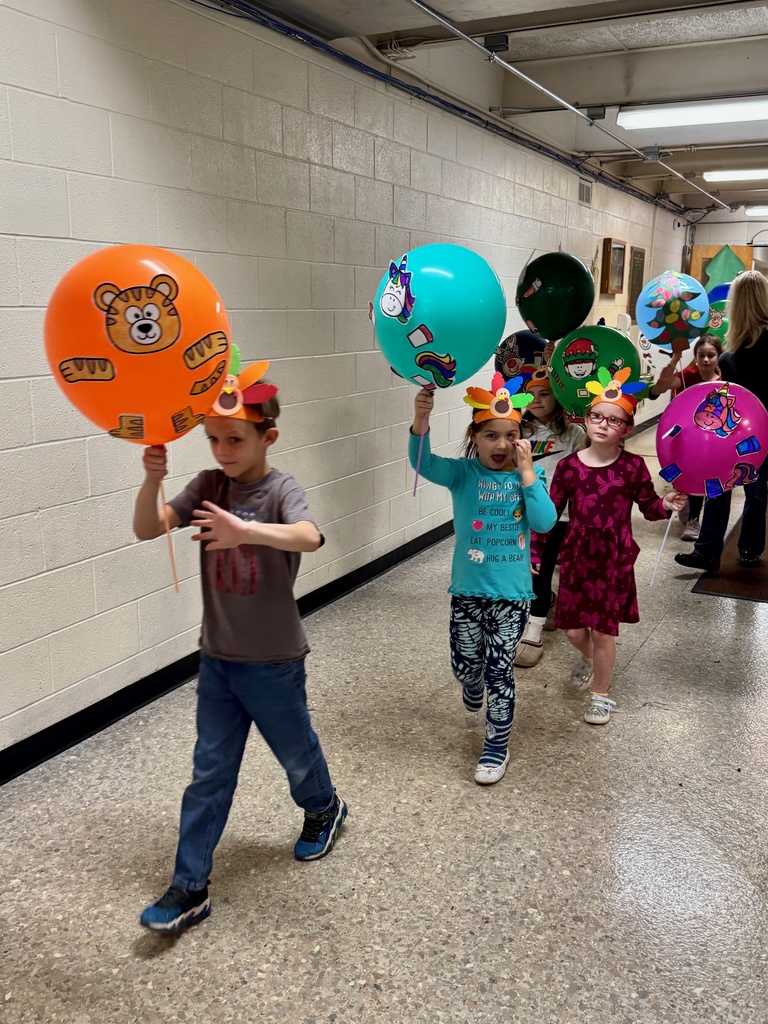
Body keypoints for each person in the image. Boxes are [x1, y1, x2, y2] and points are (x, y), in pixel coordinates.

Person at [132, 360, 347, 934]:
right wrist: (153, 477)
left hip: (274, 662)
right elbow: (146, 528)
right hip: (218, 661)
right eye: (214, 439)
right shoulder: (206, 485)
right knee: (209, 773)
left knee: (296, 755)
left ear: (266, 436)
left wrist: (244, 530)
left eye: (235, 439)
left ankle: (324, 807)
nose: (223, 450)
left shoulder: (282, 490)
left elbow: (311, 536)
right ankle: (190, 886)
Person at [409, 375, 557, 785]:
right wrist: (421, 419)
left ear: (521, 438)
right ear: (475, 435)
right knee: (465, 664)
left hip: (511, 596)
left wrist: (528, 474)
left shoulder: (530, 478)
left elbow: (544, 522)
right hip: (468, 592)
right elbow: (423, 463)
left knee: (499, 671)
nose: (501, 445)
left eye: (511, 435)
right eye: (490, 435)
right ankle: (470, 683)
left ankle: (496, 745)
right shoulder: (463, 475)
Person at [531, 371, 686, 725]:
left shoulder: (632, 467)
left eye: (614, 420)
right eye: (596, 416)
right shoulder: (569, 467)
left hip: (613, 558)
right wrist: (536, 552)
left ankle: (600, 694)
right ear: (585, 420)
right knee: (573, 630)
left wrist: (667, 503)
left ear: (627, 428)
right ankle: (588, 658)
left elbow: (648, 507)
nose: (603, 424)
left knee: (603, 630)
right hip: (576, 554)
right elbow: (548, 515)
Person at [675, 272, 768, 572]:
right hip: (752, 433)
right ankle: (748, 550)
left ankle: (709, 551)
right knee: (753, 491)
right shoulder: (730, 355)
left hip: (739, 432)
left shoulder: (732, 356)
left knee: (721, 486)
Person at [514, 368, 585, 667]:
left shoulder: (573, 434)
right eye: (531, 393)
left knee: (543, 574)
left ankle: (534, 632)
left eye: (545, 393)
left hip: (562, 517)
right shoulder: (519, 429)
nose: (537, 400)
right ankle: (539, 610)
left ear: (558, 396)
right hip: (525, 515)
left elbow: (586, 475)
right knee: (526, 573)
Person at [650, 334, 723, 541]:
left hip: (715, 437)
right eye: (702, 355)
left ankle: (699, 519)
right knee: (691, 475)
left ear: (718, 357)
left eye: (711, 355)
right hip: (688, 436)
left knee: (710, 478)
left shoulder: (725, 380)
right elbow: (662, 386)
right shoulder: (688, 376)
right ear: (696, 357)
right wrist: (676, 357)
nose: (706, 360)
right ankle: (691, 515)